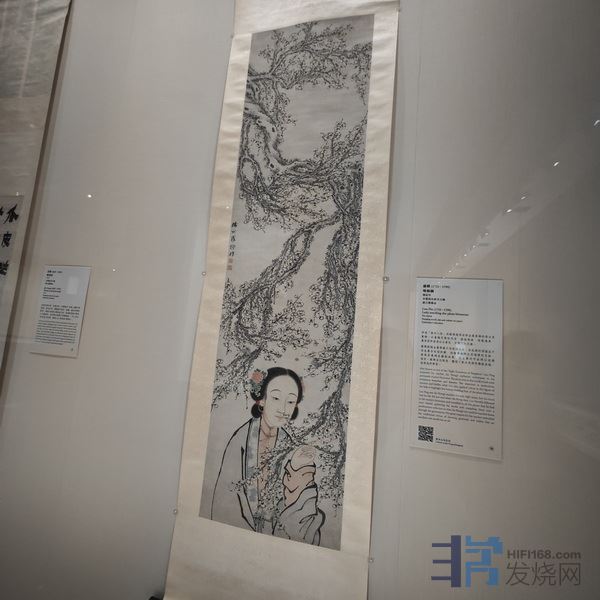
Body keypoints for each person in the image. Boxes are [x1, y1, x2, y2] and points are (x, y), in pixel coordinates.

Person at [211, 366, 325, 545]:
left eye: (290, 401)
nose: (283, 409)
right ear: (262, 399)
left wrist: (299, 470)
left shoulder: (291, 449)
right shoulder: (241, 439)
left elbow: (298, 510)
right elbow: (226, 497)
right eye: (276, 398)